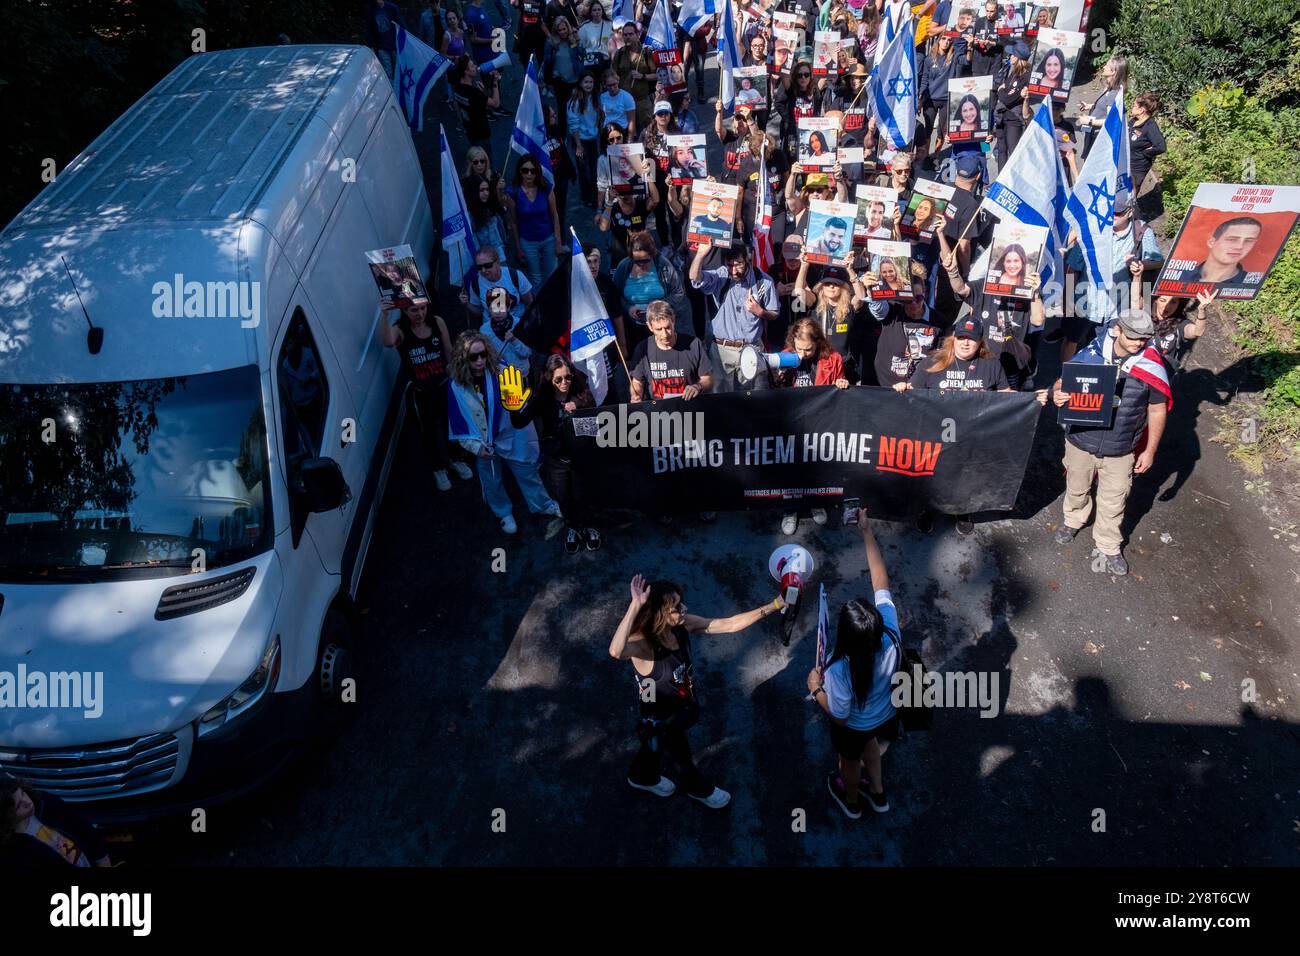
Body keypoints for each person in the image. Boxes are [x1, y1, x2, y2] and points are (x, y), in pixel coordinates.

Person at [611, 574, 786, 808]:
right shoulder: (643, 645)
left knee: (653, 749)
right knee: (681, 757)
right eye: (676, 607)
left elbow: (729, 624)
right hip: (662, 719)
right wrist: (635, 606)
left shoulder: (682, 626)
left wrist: (775, 605)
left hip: (682, 707)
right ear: (660, 614)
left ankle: (640, 776)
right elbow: (616, 651)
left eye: (680, 602)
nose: (684, 608)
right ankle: (698, 789)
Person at [1041, 309, 1172, 576]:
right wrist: (1057, 394)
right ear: (1117, 330)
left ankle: (1109, 544)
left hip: (1120, 448)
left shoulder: (1152, 366)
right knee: (1077, 487)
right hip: (1081, 441)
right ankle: (1074, 519)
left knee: (1115, 500)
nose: (1139, 343)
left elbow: (1158, 409)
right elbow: (1062, 382)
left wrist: (1150, 450)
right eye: (1133, 337)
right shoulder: (1092, 353)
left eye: (1143, 338)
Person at [806, 507, 900, 817]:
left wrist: (816, 689)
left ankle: (852, 802)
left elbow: (841, 717)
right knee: (871, 745)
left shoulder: (838, 670)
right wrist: (867, 531)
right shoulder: (890, 635)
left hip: (853, 726)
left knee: (849, 761)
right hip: (884, 715)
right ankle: (878, 793)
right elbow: (880, 581)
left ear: (844, 636)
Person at [447, 332, 561, 534]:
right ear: (463, 358)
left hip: (511, 434)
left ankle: (543, 505)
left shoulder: (503, 372)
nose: (480, 361)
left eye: (482, 354)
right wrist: (476, 448)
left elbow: (520, 408)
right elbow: (458, 423)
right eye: (473, 357)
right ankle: (503, 513)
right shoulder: (456, 386)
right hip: (483, 444)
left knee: (527, 472)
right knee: (492, 481)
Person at [505, 354, 602, 553]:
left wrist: (580, 406)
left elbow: (597, 417)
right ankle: (572, 528)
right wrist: (513, 407)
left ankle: (589, 526)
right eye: (558, 379)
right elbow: (519, 422)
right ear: (549, 379)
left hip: (580, 455)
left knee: (583, 495)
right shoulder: (541, 398)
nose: (564, 383)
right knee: (564, 497)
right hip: (556, 458)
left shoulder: (580, 391)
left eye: (567, 377)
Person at [378, 297, 472, 492]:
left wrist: (456, 373)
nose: (419, 314)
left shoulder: (437, 322)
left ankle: (456, 459)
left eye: (422, 309)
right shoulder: (401, 329)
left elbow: (448, 350)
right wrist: (384, 315)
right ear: (404, 311)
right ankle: (438, 468)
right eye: (414, 310)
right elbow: (387, 342)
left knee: (451, 424)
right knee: (427, 432)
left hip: (443, 385)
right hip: (420, 392)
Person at [774, 318, 851, 534]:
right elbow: (776, 388)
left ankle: (816, 501)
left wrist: (842, 383)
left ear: (817, 342)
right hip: (793, 422)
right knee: (790, 468)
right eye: (799, 348)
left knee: (816, 466)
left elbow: (840, 382)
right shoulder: (786, 354)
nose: (803, 354)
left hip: (820, 422)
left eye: (808, 349)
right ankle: (790, 510)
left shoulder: (833, 358)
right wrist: (779, 374)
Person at [689, 244, 779, 391]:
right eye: (730, 265)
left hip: (750, 348)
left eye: (739, 264)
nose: (734, 271)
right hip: (721, 350)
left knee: (748, 400)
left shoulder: (763, 281)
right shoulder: (722, 275)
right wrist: (700, 255)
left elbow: (774, 314)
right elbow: (695, 278)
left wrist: (760, 312)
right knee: (720, 401)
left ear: (747, 259)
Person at [0, 779, 112, 867]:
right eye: (19, 805)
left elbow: (83, 828)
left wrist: (103, 860)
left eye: (23, 793)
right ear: (7, 814)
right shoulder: (11, 848)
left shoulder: (44, 802)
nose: (28, 802)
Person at [792, 259, 870, 382]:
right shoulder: (815, 302)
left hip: (842, 366)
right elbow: (798, 292)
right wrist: (804, 265)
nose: (831, 286)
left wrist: (850, 269)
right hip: (817, 365)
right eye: (827, 283)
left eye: (836, 283)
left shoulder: (849, 306)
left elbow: (861, 297)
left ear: (843, 286)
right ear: (822, 286)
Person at [612, 232, 690, 353]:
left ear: (652, 255)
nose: (641, 264)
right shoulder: (624, 267)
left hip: (660, 325)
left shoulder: (663, 265)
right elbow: (614, 295)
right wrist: (628, 308)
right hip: (633, 327)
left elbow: (678, 292)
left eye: (645, 260)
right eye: (637, 261)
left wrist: (658, 307)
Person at [628, 300, 713, 402]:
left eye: (667, 328)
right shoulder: (643, 348)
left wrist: (697, 386)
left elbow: (708, 379)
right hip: (657, 409)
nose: (665, 334)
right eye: (658, 329)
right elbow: (637, 382)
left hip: (688, 406)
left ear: (673, 320)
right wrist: (636, 395)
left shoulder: (694, 344)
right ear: (650, 327)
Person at [505, 157, 563, 289]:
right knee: (535, 279)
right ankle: (538, 308)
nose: (529, 174)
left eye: (533, 170)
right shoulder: (513, 192)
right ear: (520, 171)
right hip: (528, 242)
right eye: (525, 170)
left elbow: (555, 215)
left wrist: (558, 240)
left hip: (548, 239)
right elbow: (513, 222)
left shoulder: (546, 187)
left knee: (552, 276)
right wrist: (518, 247)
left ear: (537, 172)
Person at [1185, 216, 1262, 288]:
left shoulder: (1250, 283)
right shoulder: (1182, 275)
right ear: (1211, 242)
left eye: (1249, 241)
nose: (1239, 247)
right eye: (1232, 239)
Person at [1076, 55, 1127, 158]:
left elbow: (1110, 121)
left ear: (1113, 71)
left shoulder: (1113, 93)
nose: (1103, 67)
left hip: (1097, 135)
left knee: (1091, 163)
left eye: (1107, 66)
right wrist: (1090, 106)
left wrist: (1089, 122)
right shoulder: (1108, 87)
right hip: (1092, 132)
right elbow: (1103, 105)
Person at [993, 41, 1031, 168]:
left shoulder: (1026, 77)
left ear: (1018, 57)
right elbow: (1002, 90)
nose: (1009, 57)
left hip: (1014, 119)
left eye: (1012, 55)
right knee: (1001, 151)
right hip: (1002, 116)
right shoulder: (1013, 71)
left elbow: (1007, 98)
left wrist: (1001, 91)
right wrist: (1002, 90)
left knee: (1013, 152)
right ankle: (999, 181)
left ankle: (1013, 184)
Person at [452, 54, 501, 152]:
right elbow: (496, 104)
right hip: (481, 135)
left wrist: (462, 122)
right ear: (466, 71)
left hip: (470, 131)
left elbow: (456, 104)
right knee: (485, 162)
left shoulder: (457, 85)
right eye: (472, 66)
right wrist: (495, 82)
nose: (475, 66)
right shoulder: (474, 93)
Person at [1128, 92, 1166, 213]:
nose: (1131, 107)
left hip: (1136, 169)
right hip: (1125, 164)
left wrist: (1145, 153)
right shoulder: (1133, 120)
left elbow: (1161, 147)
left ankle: (1131, 223)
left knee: (1128, 201)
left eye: (1134, 106)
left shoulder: (1150, 126)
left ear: (1142, 110)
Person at [568, 74, 602, 206]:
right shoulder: (575, 100)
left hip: (593, 138)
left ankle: (594, 196)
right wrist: (578, 145)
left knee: (594, 169)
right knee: (584, 171)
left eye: (591, 82)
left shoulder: (594, 98)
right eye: (586, 82)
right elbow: (573, 124)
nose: (589, 85)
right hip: (580, 140)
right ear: (580, 83)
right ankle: (586, 197)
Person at [463, 173, 509, 263]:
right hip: (485, 261)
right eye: (482, 190)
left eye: (487, 189)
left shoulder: (490, 206)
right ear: (474, 191)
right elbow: (474, 244)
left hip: (500, 254)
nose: (486, 193)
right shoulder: (470, 215)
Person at [365, 0, 407, 83]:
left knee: (399, 69)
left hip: (395, 45)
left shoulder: (392, 8)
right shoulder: (371, 11)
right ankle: (392, 93)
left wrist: (405, 41)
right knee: (388, 73)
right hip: (381, 47)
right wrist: (372, 46)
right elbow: (370, 31)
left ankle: (403, 90)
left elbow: (401, 25)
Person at [599, 70, 638, 135]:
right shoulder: (602, 97)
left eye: (614, 84)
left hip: (622, 131)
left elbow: (632, 121)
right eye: (609, 85)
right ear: (605, 85)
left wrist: (630, 139)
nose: (612, 88)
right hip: (607, 131)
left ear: (618, 81)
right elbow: (602, 117)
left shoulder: (627, 97)